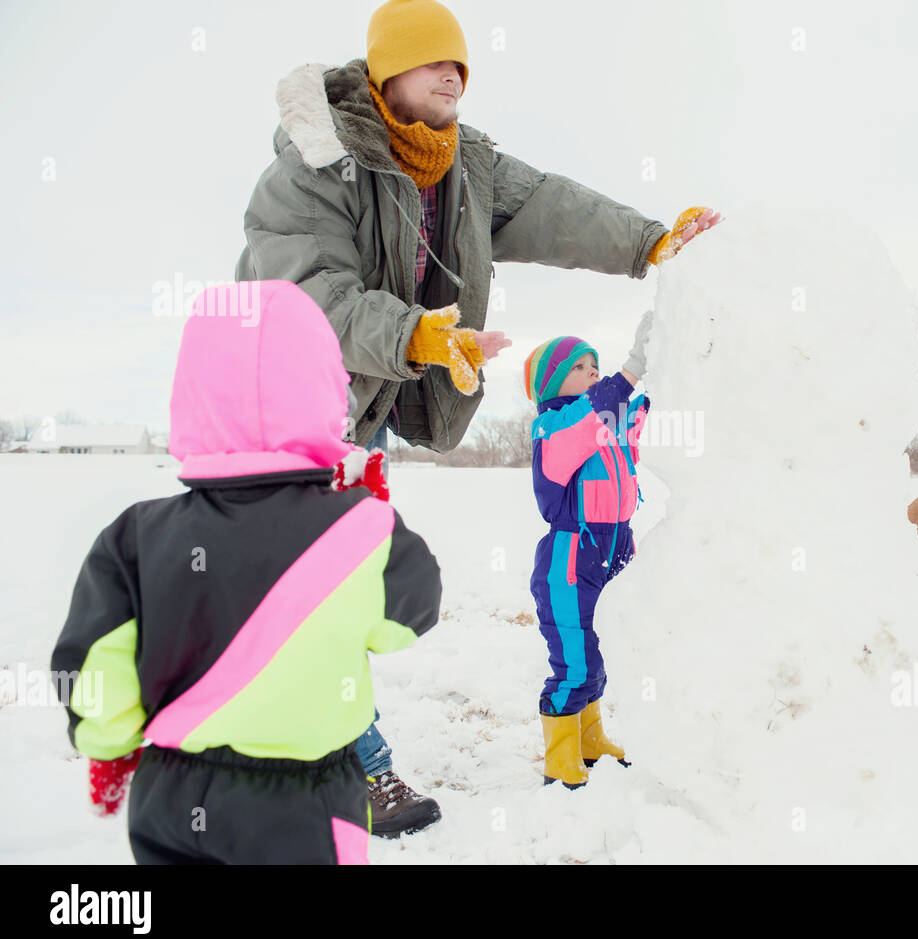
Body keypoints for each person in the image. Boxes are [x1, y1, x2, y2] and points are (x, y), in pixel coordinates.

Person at [234, 0, 720, 831]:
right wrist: (413, 334)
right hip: (275, 410)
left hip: (360, 408)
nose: (452, 72)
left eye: (459, 61)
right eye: (430, 61)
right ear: (386, 75)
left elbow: (559, 209)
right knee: (306, 595)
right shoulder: (320, 166)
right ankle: (349, 769)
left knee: (330, 593)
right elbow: (307, 298)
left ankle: (303, 750)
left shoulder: (466, 167)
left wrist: (649, 244)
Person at [49, 280, 443, 864]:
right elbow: (409, 617)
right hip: (307, 803)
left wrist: (109, 744)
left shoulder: (134, 536)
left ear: (190, 396)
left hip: (173, 795)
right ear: (326, 392)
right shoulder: (357, 529)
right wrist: (375, 514)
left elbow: (91, 673)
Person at [524, 311, 654, 788]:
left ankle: (590, 737)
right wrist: (632, 367)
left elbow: (631, 418)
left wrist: (671, 369)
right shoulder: (555, 428)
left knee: (602, 651)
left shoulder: (604, 424)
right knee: (574, 657)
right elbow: (593, 416)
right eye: (580, 366)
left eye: (595, 366)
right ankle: (560, 757)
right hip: (572, 559)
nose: (593, 372)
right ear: (554, 380)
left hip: (616, 546)